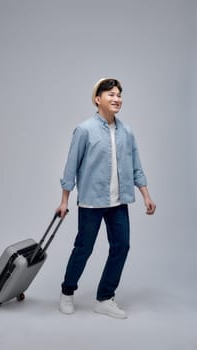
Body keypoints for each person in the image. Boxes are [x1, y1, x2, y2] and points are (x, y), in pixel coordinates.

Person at [56, 78, 156, 319]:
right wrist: (64, 200)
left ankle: (105, 298)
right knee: (84, 248)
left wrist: (146, 195)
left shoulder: (127, 132)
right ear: (97, 99)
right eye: (111, 94)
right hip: (91, 201)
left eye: (119, 94)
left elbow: (136, 166)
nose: (116, 98)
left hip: (118, 202)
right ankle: (67, 292)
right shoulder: (84, 130)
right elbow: (71, 167)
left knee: (121, 246)